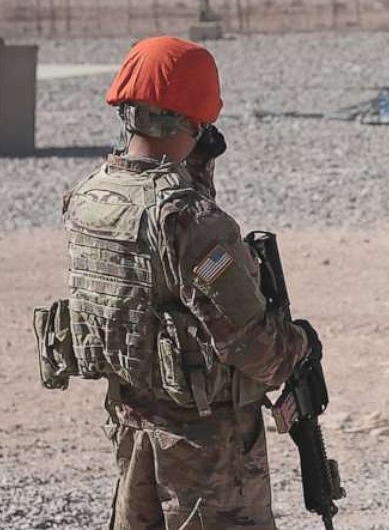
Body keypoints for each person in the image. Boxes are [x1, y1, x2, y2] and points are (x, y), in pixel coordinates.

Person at [61, 35, 312, 529]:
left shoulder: (88, 197)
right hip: (206, 453)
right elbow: (259, 351)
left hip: (132, 428)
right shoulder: (189, 219)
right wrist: (302, 344)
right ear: (199, 119)